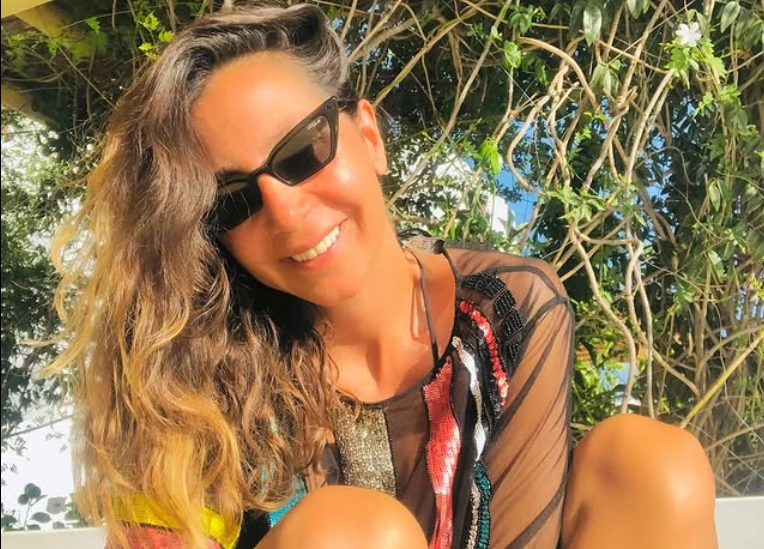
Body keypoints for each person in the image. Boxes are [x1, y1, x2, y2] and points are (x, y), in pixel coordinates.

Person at [50, 2, 719, 549]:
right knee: (350, 536)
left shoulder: (503, 309)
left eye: (302, 150)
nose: (285, 211)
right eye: (233, 200)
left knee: (651, 466)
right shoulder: (198, 367)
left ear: (369, 137)